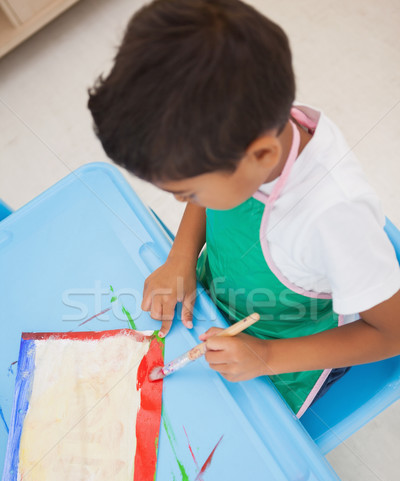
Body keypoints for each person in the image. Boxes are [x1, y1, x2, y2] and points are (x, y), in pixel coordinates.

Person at [88, 0, 400, 417]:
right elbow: (218, 195)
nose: (184, 202)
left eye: (189, 193)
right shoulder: (243, 129)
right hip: (220, 298)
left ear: (260, 155)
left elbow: (391, 333)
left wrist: (265, 356)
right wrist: (181, 256)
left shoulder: (333, 217)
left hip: (287, 346)